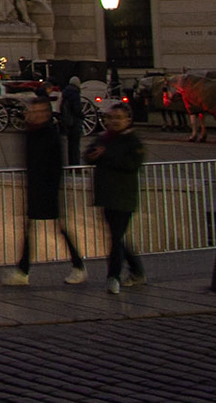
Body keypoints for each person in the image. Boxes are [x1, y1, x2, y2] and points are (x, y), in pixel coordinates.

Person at [3, 97, 85, 286]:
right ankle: (24, 270)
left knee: (53, 228)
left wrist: (47, 187)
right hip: (36, 187)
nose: (36, 115)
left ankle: (77, 265)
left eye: (40, 112)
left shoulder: (49, 135)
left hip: (45, 188)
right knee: (38, 229)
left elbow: (53, 165)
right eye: (33, 112)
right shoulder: (32, 133)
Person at [86, 101, 146, 294]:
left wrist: (105, 155)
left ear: (128, 120)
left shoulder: (133, 141)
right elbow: (88, 154)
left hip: (123, 197)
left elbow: (131, 164)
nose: (114, 122)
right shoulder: (103, 138)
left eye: (118, 118)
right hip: (106, 195)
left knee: (116, 238)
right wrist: (94, 155)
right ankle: (137, 271)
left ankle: (113, 277)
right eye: (111, 118)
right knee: (117, 237)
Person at [61, 77, 84, 167]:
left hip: (67, 121)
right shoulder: (75, 94)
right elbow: (76, 109)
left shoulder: (65, 92)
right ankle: (76, 164)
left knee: (71, 145)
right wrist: (82, 115)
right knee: (75, 145)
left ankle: (71, 164)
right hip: (74, 122)